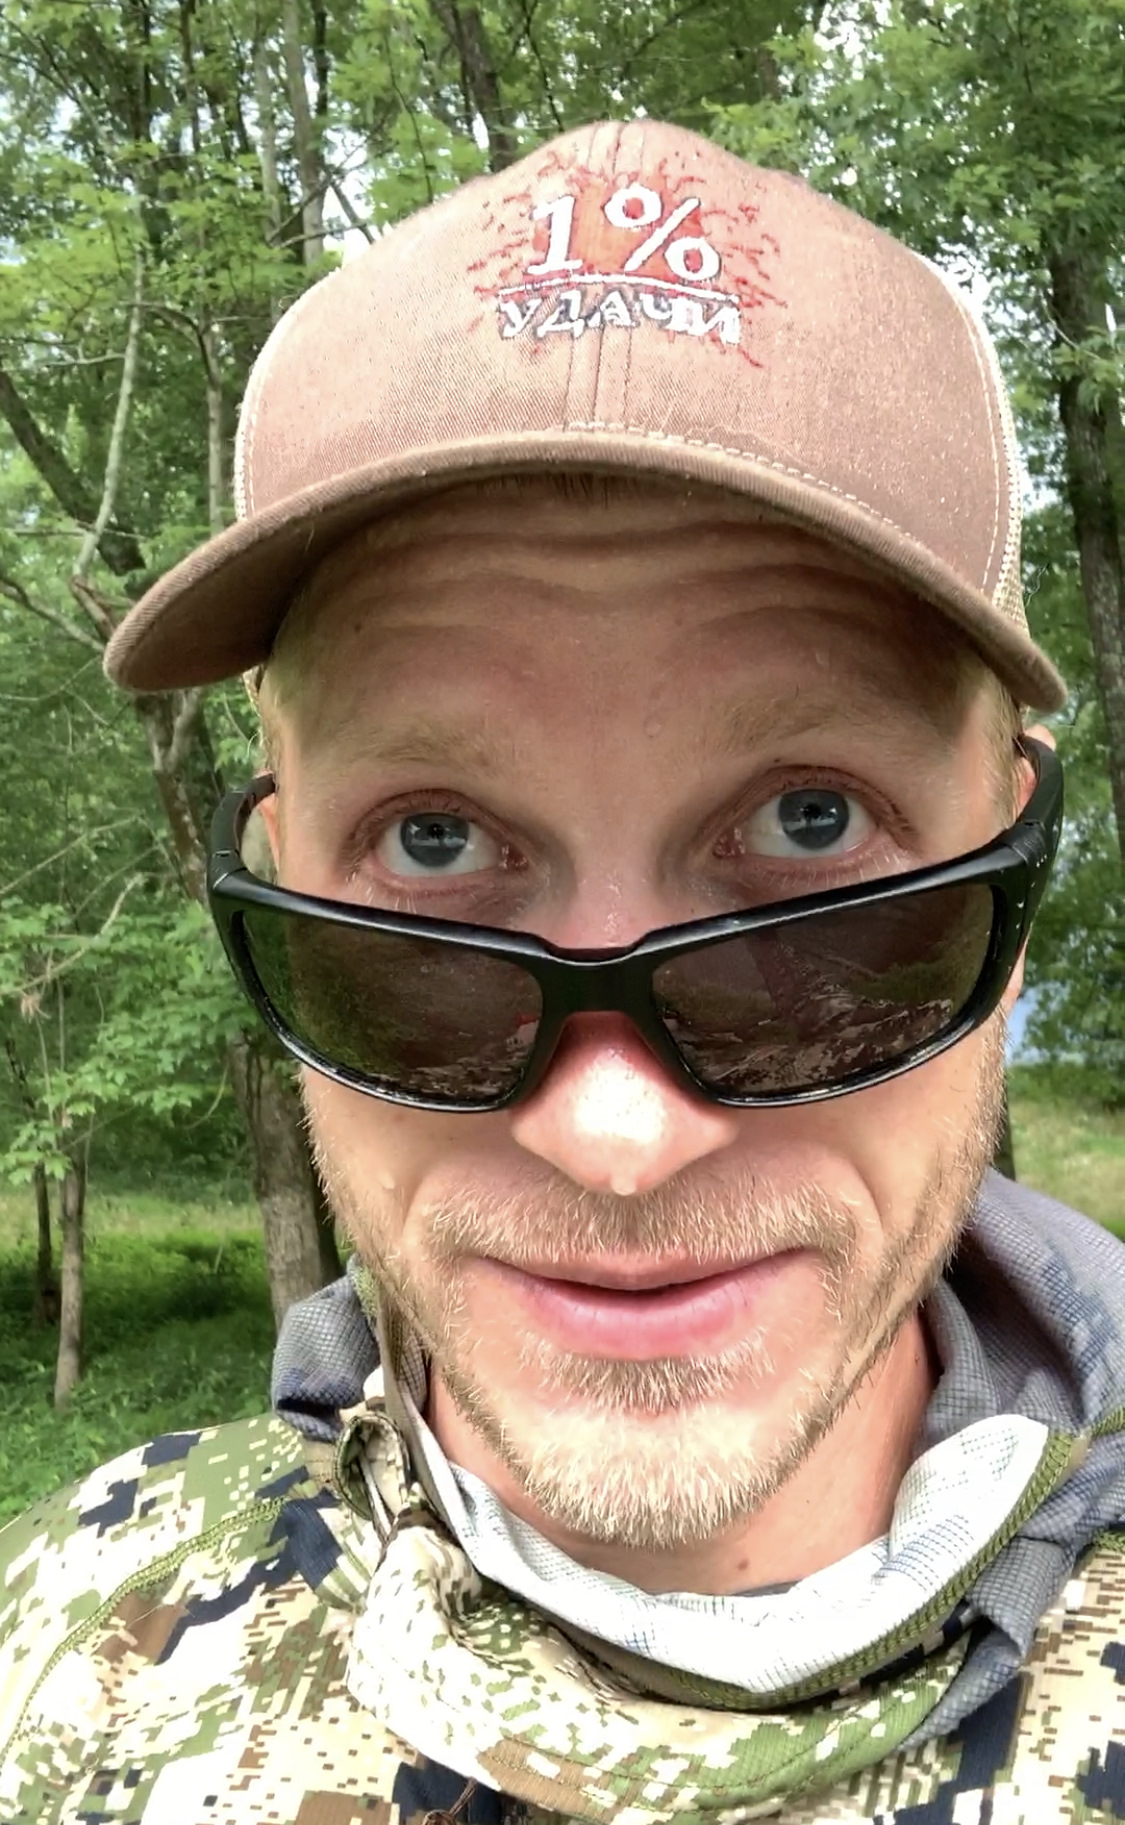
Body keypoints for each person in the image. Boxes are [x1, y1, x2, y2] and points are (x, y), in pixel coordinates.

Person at [1, 119, 1122, 1825]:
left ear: (1014, 892)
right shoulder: (66, 1657)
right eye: (434, 843)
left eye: (810, 831)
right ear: (279, 876)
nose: (615, 1135)